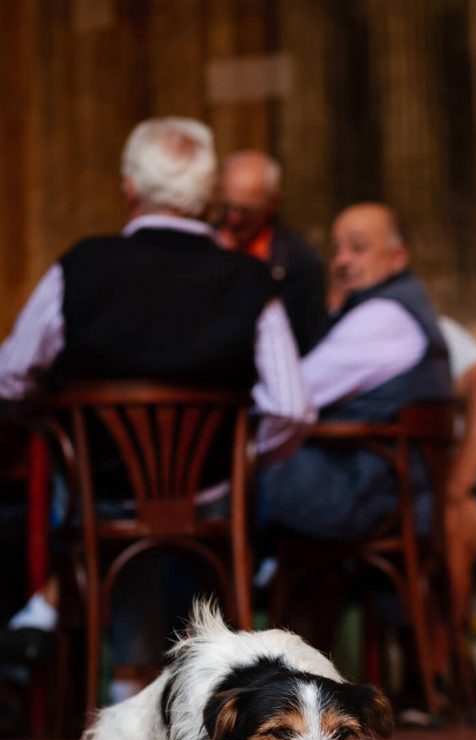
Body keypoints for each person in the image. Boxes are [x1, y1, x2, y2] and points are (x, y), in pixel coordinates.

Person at [0, 117, 312, 684]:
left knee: (88, 495)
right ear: (210, 195)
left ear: (129, 188)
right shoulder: (248, 279)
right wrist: (244, 459)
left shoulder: (80, 267)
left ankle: (91, 649)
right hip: (211, 499)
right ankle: (189, 686)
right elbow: (290, 405)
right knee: (204, 514)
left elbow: (11, 376)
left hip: (103, 495)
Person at [260, 201, 453, 540]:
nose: (342, 260)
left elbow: (291, 393)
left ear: (399, 257)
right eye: (337, 249)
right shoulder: (393, 307)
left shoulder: (384, 318)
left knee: (227, 473)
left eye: (358, 248)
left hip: (368, 491)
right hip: (389, 488)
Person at [216, 150, 327, 355]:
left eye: (245, 211)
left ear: (272, 204)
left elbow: (307, 338)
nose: (233, 219)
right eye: (226, 207)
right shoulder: (204, 244)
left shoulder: (299, 261)